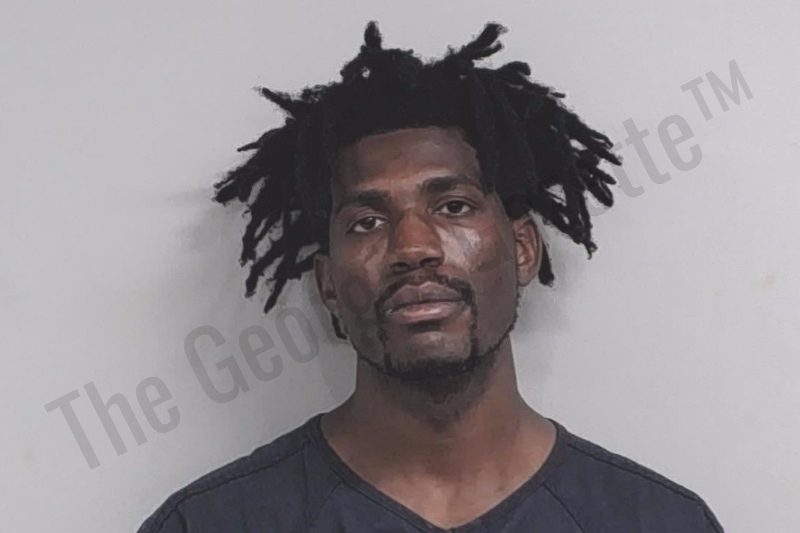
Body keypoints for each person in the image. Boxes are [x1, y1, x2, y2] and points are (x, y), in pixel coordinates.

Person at [138, 20, 724, 533]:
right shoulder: (213, 522)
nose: (413, 247)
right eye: (368, 222)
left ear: (523, 248)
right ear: (328, 283)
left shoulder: (656, 521)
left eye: (453, 207)